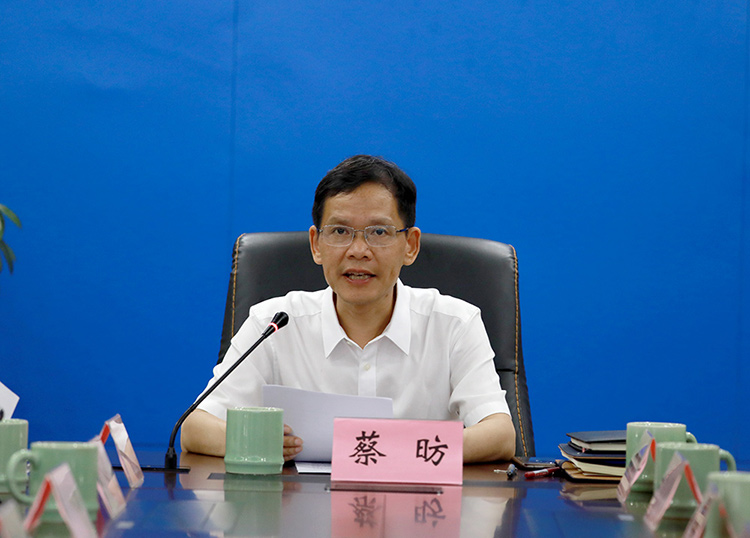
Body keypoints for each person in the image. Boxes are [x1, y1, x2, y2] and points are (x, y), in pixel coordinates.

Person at [181, 155, 516, 462]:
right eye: (340, 231)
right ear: (316, 244)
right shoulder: (273, 324)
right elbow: (195, 428)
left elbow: (500, 435)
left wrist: (391, 450)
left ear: (410, 245)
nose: (358, 250)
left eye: (379, 232)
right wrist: (252, 440)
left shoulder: (454, 324)